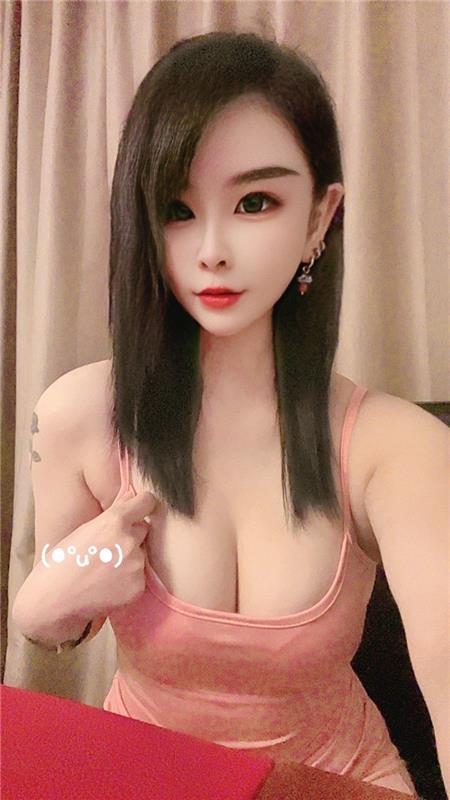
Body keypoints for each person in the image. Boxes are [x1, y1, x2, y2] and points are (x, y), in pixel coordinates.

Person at [17, 30, 449, 797]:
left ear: (319, 217)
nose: (212, 249)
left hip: (332, 784)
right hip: (152, 778)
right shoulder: (79, 416)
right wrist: (46, 598)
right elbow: (63, 619)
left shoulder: (396, 447)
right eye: (177, 209)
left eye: (255, 202)